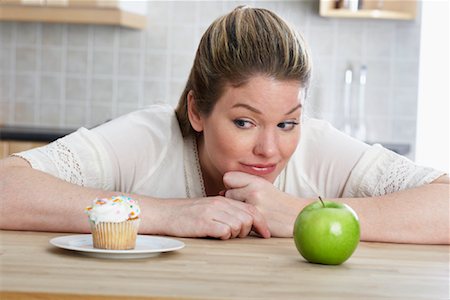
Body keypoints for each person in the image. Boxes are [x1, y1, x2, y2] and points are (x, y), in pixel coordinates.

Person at [0, 6, 448, 244]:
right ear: (197, 111)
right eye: (244, 121)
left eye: (287, 123)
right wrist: (168, 214)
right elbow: (7, 187)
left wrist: (301, 214)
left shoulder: (318, 147)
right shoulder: (150, 137)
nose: (269, 150)